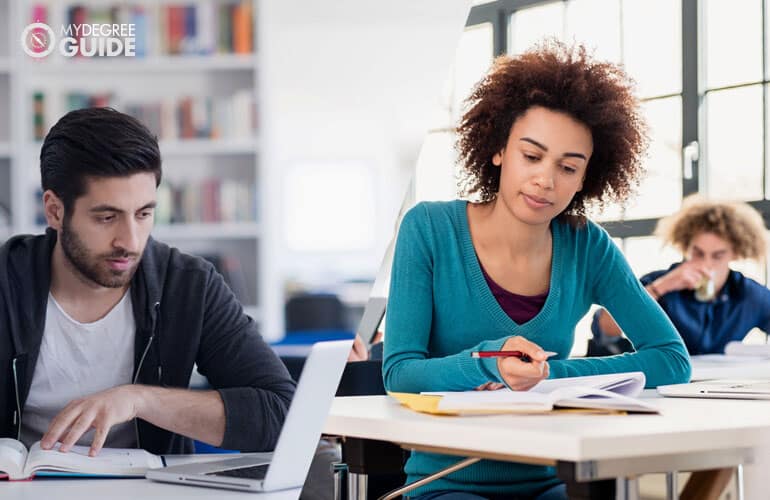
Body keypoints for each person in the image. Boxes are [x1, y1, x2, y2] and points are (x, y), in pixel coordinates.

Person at [382, 41, 691, 500]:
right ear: (498, 151)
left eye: (568, 167)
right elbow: (400, 372)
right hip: (444, 485)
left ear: (586, 178)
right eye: (531, 156)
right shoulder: (429, 228)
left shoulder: (587, 246)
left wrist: (552, 376)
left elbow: (671, 358)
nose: (546, 180)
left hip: (550, 483)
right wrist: (490, 360)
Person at [0, 107, 296, 457]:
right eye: (107, 217)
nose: (131, 241)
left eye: (143, 214)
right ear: (54, 211)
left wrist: (139, 399)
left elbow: (282, 415)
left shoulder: (188, 286)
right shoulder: (6, 281)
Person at [591, 196, 770, 355]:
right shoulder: (657, 282)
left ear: (736, 253)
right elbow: (606, 330)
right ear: (686, 246)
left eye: (718, 256)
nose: (706, 263)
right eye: (698, 253)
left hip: (719, 387)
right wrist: (662, 287)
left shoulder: (750, 294)